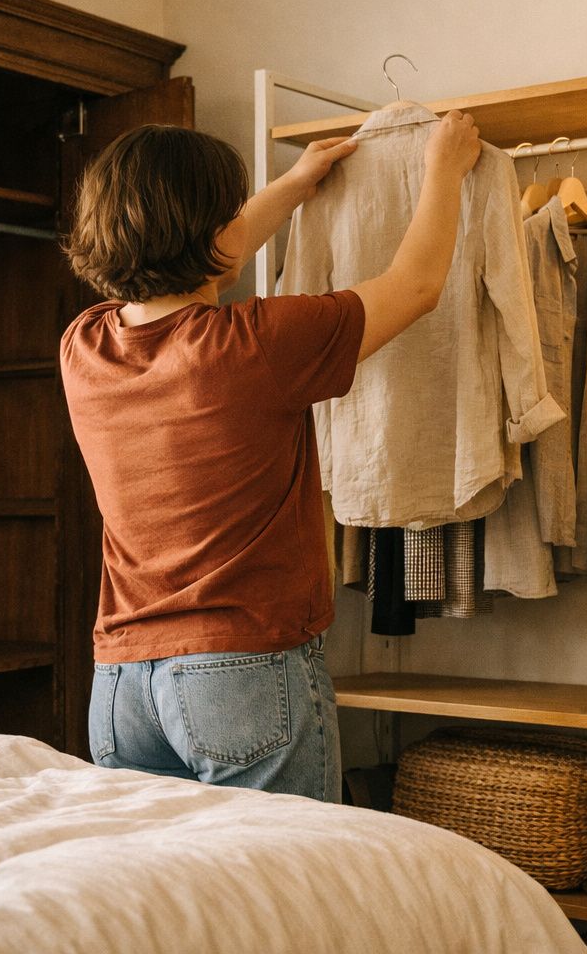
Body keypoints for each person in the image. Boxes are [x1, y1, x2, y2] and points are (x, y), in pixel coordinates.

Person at [60, 111, 482, 801]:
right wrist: (444, 168)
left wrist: (293, 185)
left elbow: (190, 260)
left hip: (121, 685)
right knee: (295, 890)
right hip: (241, 674)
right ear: (216, 230)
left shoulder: (84, 346)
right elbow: (416, 286)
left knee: (174, 898)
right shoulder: (257, 343)